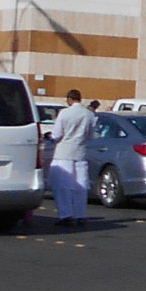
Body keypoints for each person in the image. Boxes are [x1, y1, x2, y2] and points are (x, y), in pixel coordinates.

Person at [48, 89, 97, 227]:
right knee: (80, 186)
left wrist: (50, 138)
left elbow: (57, 134)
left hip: (64, 152)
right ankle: (81, 215)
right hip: (80, 152)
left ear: (69, 99)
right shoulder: (89, 114)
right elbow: (91, 136)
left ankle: (66, 215)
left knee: (63, 186)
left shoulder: (64, 113)